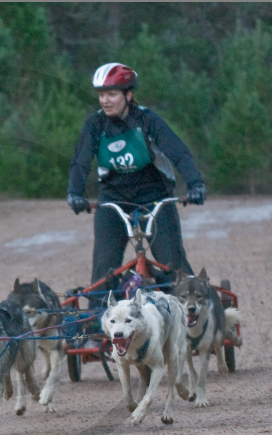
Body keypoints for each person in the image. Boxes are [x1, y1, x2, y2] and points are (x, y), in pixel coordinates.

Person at [66, 62, 205, 304]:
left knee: (172, 264)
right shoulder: (95, 125)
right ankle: (95, 323)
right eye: (101, 95)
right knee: (104, 268)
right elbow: (80, 163)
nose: (105, 101)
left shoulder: (148, 120)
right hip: (114, 199)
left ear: (128, 94)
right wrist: (74, 193)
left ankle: (193, 311)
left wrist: (195, 184)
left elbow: (179, 153)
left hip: (155, 196)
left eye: (111, 94)